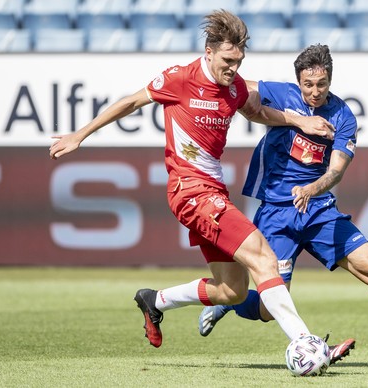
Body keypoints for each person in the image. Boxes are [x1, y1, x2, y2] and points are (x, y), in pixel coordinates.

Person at [48, 10, 341, 357]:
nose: (233, 68)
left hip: (213, 191)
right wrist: (80, 135)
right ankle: (306, 344)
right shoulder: (179, 79)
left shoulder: (233, 87)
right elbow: (129, 102)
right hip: (190, 189)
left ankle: (154, 301)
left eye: (239, 60)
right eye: (228, 60)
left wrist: (299, 121)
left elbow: (257, 112)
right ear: (209, 52)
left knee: (232, 290)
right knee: (264, 257)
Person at [198, 44, 368, 363]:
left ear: (330, 80)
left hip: (318, 210)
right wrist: (205, 74)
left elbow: (337, 170)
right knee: (267, 310)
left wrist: (313, 188)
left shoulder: (342, 116)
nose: (314, 91)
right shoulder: (281, 95)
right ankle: (228, 302)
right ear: (298, 82)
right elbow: (237, 84)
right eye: (308, 84)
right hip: (276, 214)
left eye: (321, 84)